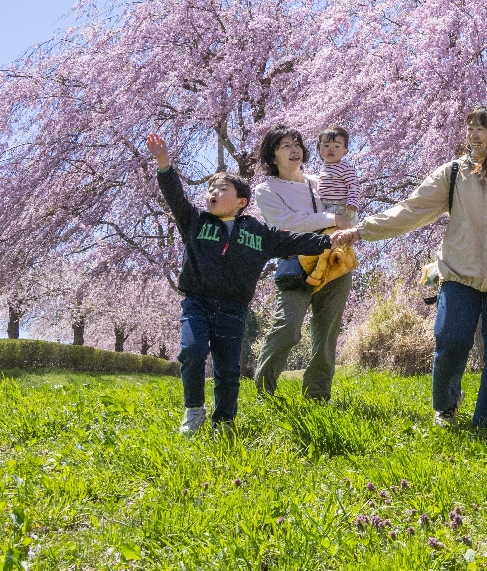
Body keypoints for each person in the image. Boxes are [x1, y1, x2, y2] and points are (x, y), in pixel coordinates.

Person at [348, 105, 487, 429]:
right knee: (451, 340)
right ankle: (446, 404)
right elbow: (411, 210)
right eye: (470, 128)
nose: (472, 135)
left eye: (480, 128)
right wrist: (362, 231)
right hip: (459, 274)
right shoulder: (453, 174)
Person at [146, 133, 354, 434]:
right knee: (192, 351)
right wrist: (164, 165)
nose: (213, 193)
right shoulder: (196, 221)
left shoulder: (255, 231)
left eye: (223, 188)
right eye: (210, 189)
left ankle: (225, 421)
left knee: (228, 367)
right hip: (198, 301)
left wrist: (327, 240)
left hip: (234, 306)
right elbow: (175, 196)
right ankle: (194, 410)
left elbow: (289, 240)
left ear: (241, 201)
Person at [253, 125, 358, 401]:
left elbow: (344, 209)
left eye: (297, 143)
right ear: (272, 155)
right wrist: (330, 220)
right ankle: (264, 392)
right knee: (288, 326)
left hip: (334, 263)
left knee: (327, 334)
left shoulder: (319, 182)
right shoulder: (266, 189)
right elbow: (286, 223)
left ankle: (317, 396)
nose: (294, 149)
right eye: (285, 145)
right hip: (296, 264)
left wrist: (349, 223)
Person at [315, 125, 362, 221]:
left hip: (341, 206)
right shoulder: (324, 169)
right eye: (326, 145)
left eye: (337, 146)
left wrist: (352, 202)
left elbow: (353, 185)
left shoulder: (345, 167)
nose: (331, 149)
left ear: (345, 151)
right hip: (326, 206)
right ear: (319, 148)